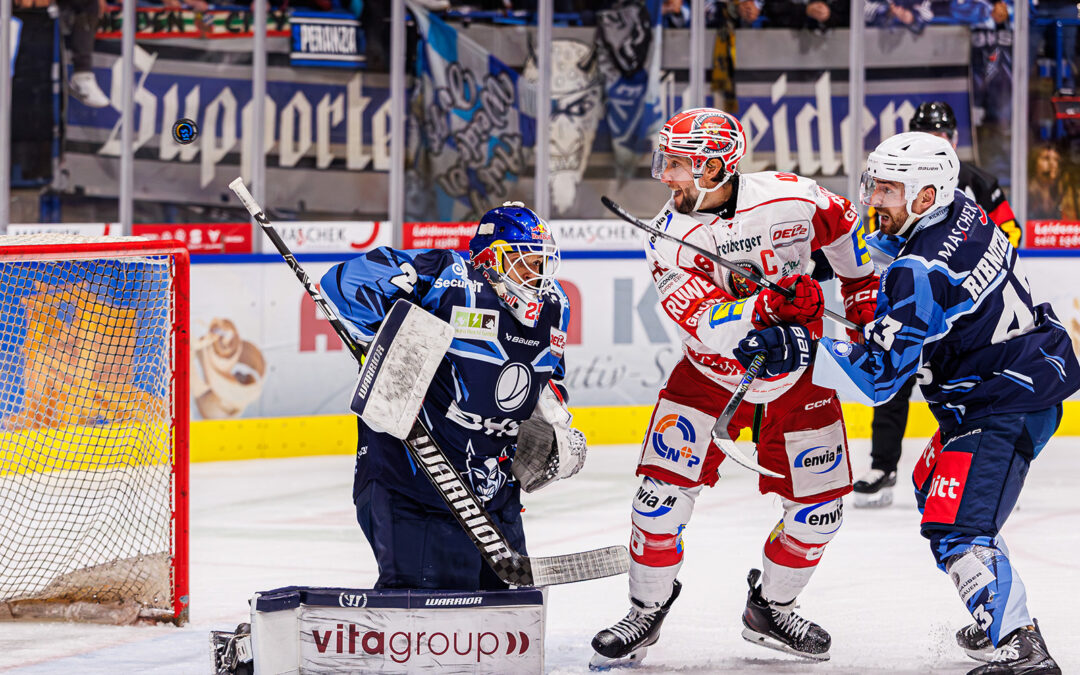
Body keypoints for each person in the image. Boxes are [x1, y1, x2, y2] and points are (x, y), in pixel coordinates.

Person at [589, 108, 878, 668]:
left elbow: (843, 224)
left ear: (716, 167)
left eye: (678, 164)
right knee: (657, 502)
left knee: (820, 510)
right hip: (709, 375)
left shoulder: (792, 197)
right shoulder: (668, 237)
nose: (665, 176)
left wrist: (860, 288)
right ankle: (646, 610)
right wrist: (768, 307)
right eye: (665, 161)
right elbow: (702, 322)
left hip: (798, 373)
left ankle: (772, 609)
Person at [810, 132, 1079, 673]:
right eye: (874, 185)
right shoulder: (965, 211)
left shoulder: (919, 271)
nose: (874, 200)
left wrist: (805, 341)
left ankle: (1021, 643)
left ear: (926, 195)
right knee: (932, 486)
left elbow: (881, 378)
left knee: (958, 527)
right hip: (1016, 382)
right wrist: (834, 271)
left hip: (1001, 402)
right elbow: (917, 270)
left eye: (888, 190)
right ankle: (994, 605)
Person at [319, 202, 587, 590]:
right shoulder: (449, 274)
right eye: (527, 262)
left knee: (508, 615)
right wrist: (388, 336)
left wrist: (555, 421)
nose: (538, 275)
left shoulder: (555, 305)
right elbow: (341, 283)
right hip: (414, 484)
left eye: (543, 263)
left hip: (493, 495)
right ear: (490, 258)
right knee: (427, 613)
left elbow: (549, 378)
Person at [853, 100, 1021, 508]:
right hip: (916, 295)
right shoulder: (901, 185)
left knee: (934, 380)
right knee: (897, 385)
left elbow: (1009, 231)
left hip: (953, 304)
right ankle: (883, 465)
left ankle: (990, 470)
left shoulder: (977, 183)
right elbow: (882, 241)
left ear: (954, 138)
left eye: (941, 133)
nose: (936, 140)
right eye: (928, 132)